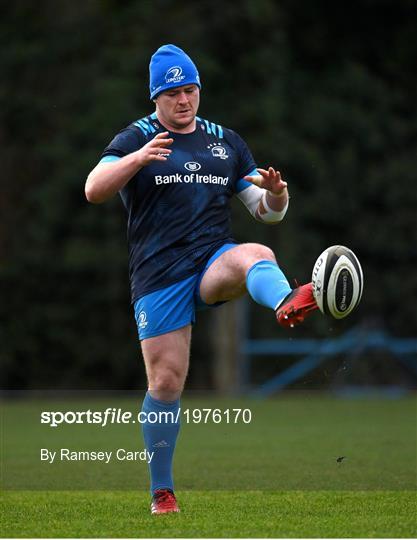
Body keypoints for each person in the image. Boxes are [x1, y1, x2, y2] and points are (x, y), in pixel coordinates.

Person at [85, 44, 318, 514]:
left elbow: (264, 213)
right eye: (172, 93)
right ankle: (162, 491)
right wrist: (137, 159)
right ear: (156, 97)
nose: (184, 100)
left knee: (255, 252)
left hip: (213, 259)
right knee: (167, 382)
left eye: (190, 90)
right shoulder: (136, 137)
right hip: (158, 272)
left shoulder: (225, 142)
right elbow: (93, 189)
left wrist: (276, 195)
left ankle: (286, 300)